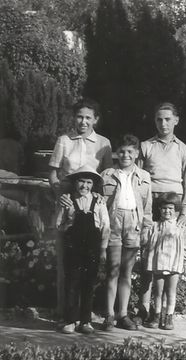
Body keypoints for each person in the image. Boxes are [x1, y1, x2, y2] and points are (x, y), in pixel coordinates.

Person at [48, 97, 112, 316]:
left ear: (96, 119)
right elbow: (53, 173)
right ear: (74, 118)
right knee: (66, 261)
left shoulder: (104, 143)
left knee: (89, 262)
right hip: (67, 204)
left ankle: (86, 312)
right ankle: (63, 311)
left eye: (88, 117)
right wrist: (60, 194)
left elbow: (106, 176)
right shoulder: (64, 140)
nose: (83, 121)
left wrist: (100, 197)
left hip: (92, 207)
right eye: (79, 116)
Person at [136, 102, 186, 325]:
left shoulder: (183, 149)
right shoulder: (146, 146)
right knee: (149, 257)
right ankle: (144, 309)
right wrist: (143, 212)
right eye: (159, 119)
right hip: (152, 203)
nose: (163, 124)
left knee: (170, 257)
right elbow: (138, 179)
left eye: (168, 119)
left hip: (175, 205)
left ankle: (164, 313)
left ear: (176, 120)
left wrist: (185, 212)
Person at [101, 134, 153, 331]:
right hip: (113, 224)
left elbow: (147, 209)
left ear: (137, 153)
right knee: (112, 271)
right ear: (116, 152)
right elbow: (101, 205)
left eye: (130, 151)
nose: (125, 155)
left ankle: (123, 314)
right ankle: (108, 315)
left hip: (133, 224)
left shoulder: (144, 177)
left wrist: (146, 230)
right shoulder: (107, 175)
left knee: (126, 273)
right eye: (121, 151)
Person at [58, 165, 110, 334]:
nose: (84, 186)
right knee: (72, 282)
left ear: (93, 185)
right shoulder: (67, 200)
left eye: (89, 182)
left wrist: (102, 250)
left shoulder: (99, 201)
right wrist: (69, 225)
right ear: (75, 182)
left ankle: (85, 321)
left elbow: (105, 227)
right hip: (74, 248)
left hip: (92, 248)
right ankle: (70, 320)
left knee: (89, 284)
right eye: (81, 181)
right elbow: (58, 224)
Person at [143, 192, 186, 330]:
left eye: (171, 209)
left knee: (171, 292)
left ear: (176, 211)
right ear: (159, 209)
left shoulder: (180, 228)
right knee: (158, 292)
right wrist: (145, 261)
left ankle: (169, 317)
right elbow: (147, 246)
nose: (167, 211)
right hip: (158, 264)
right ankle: (157, 316)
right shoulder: (155, 226)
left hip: (174, 264)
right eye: (164, 208)